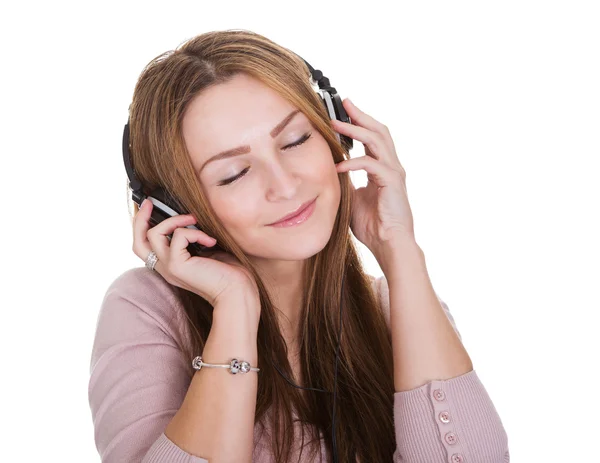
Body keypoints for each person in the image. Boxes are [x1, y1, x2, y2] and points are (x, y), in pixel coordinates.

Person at [88, 29, 510, 462]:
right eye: (234, 173)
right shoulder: (147, 308)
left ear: (336, 139)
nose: (286, 185)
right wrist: (236, 309)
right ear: (169, 209)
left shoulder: (395, 306)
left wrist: (399, 248)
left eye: (295, 141)